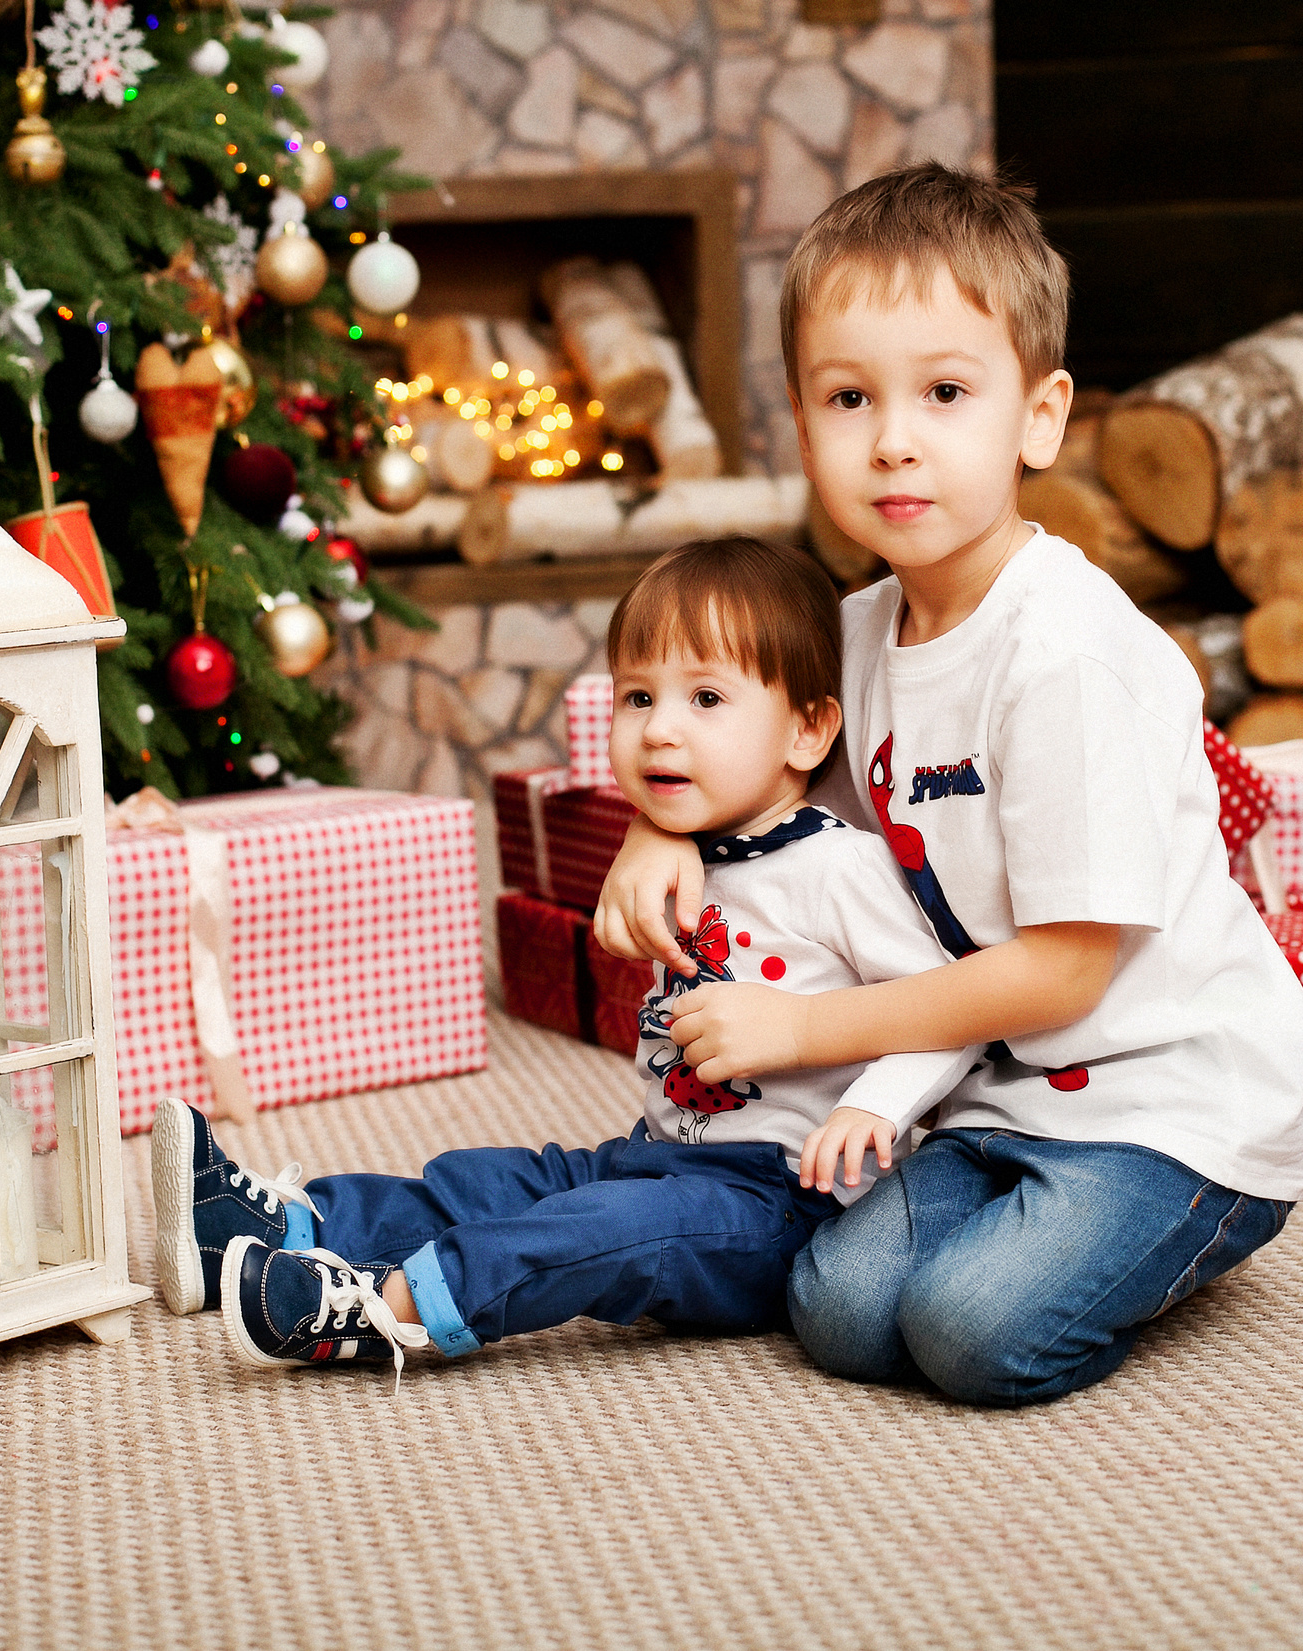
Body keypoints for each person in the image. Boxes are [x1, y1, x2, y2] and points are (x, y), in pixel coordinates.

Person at [594, 162, 1303, 1408]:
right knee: (835, 1307)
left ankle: (1186, 1232)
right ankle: (1033, 1216)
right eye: (848, 398)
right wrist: (649, 834)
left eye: (944, 392)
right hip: (991, 1085)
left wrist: (799, 1034)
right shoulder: (858, 634)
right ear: (801, 419)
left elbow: (1065, 973)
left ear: (1037, 419)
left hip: (1170, 1097)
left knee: (969, 1334)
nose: (893, 439)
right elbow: (747, 776)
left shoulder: (1068, 656)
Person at [148, 537, 981, 1381]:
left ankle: (388, 1309)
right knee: (495, 1182)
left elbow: (954, 1009)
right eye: (638, 696)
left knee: (582, 1234)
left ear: (806, 729)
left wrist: (875, 1107)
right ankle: (279, 1226)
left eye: (704, 698)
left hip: (778, 1203)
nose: (659, 728)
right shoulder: (687, 847)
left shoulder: (838, 867)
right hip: (658, 1150)